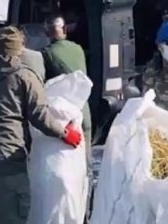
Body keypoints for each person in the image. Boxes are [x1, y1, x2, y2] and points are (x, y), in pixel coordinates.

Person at [0, 26, 82, 224]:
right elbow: (40, 116)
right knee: (13, 217)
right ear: (20, 49)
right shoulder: (24, 76)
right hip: (6, 161)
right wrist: (64, 133)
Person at [41, 15, 95, 214]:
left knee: (66, 168)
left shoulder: (45, 54)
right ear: (65, 29)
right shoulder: (78, 49)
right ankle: (86, 212)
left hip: (66, 119)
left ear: (47, 33)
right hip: (84, 113)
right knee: (85, 168)